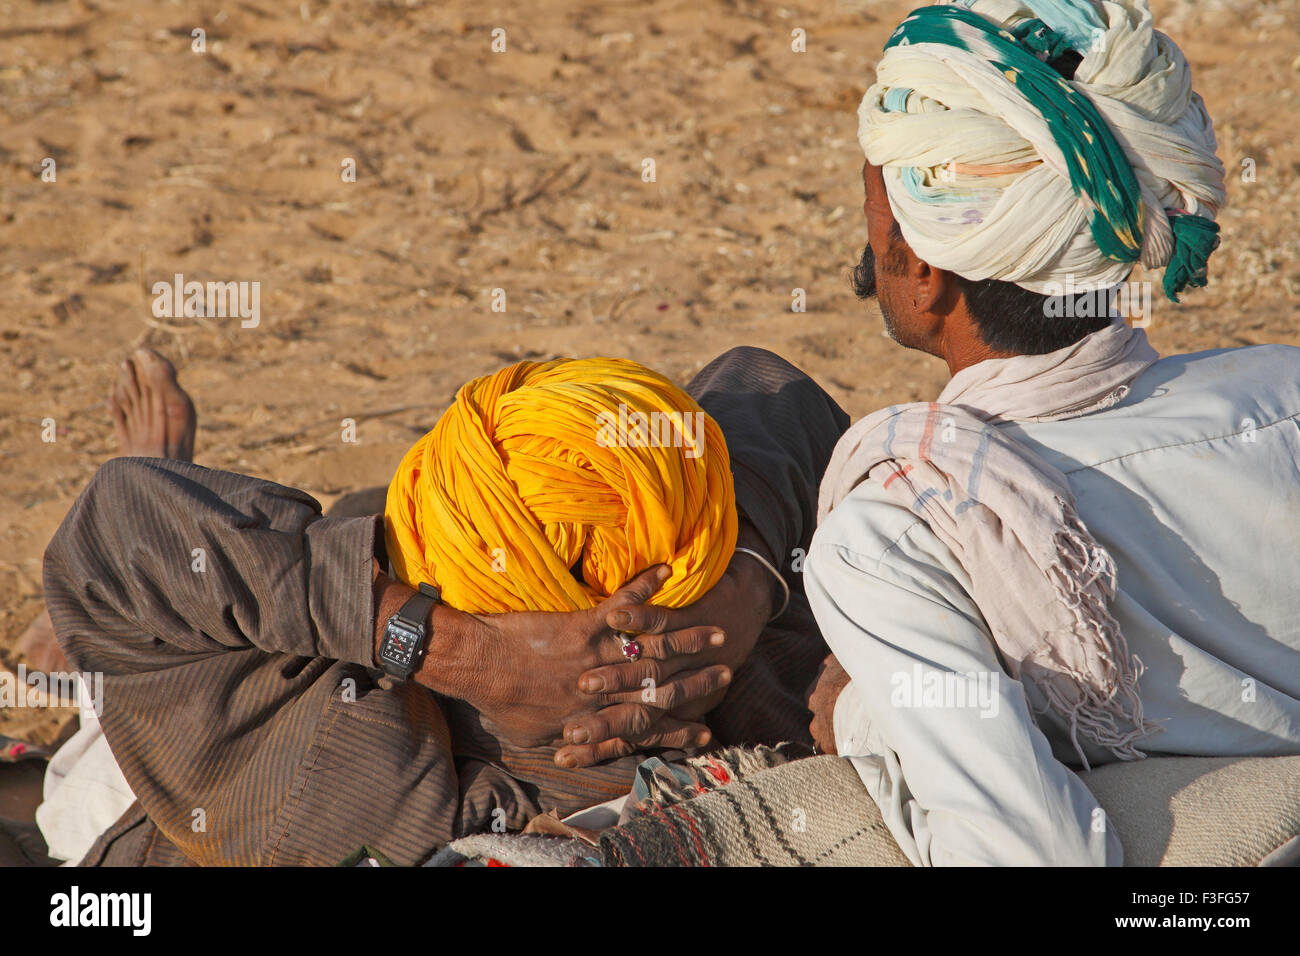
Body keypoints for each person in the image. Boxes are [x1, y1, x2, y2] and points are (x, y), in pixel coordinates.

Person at [804, 0, 1300, 865]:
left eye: (878, 221)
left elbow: (1031, 853)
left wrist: (866, 723)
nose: (868, 250)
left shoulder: (896, 536)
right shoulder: (1284, 394)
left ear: (924, 273)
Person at [40, 346, 848, 865]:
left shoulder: (338, 758)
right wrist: (745, 577)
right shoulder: (767, 670)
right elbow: (765, 384)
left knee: (130, 661)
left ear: (449, 586)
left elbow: (113, 528)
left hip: (147, 783)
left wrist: (441, 647)